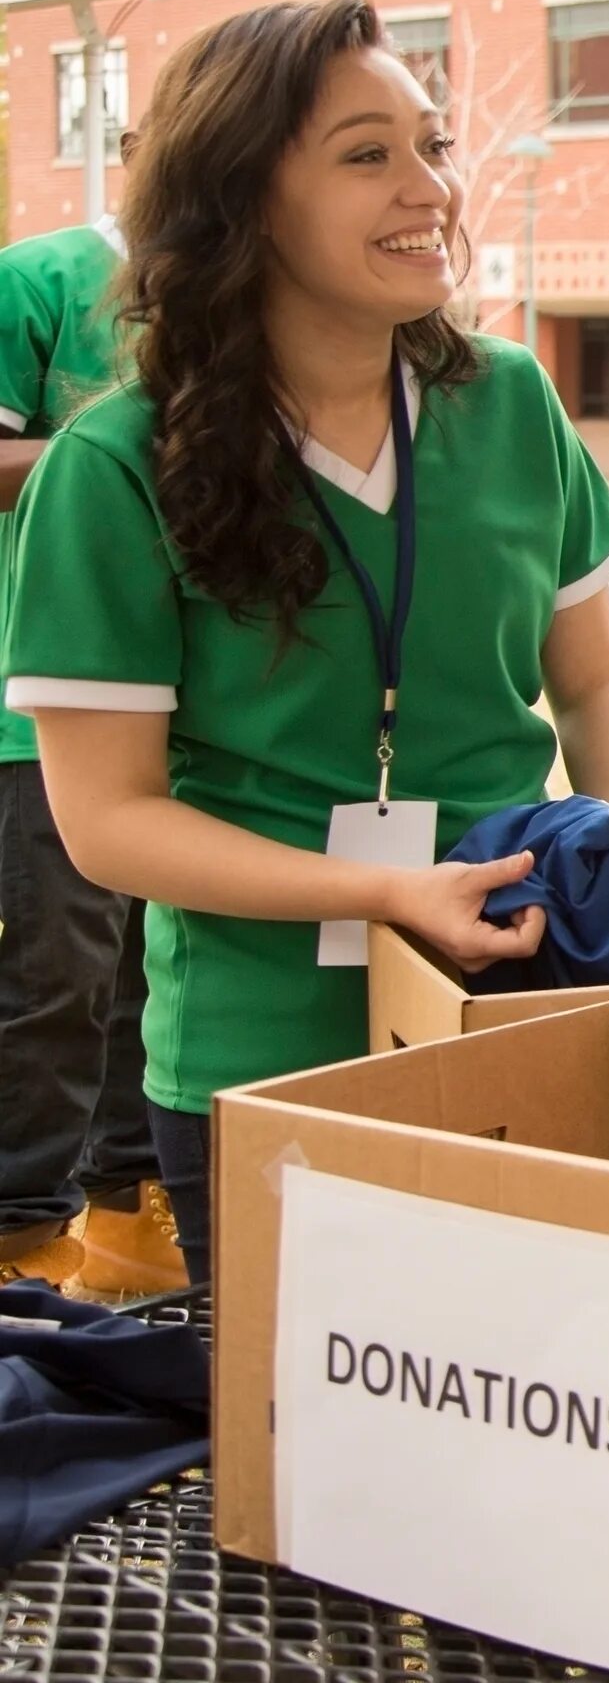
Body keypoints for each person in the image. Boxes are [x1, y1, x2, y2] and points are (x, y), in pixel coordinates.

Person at [3, 0, 609, 1285]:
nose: (429, 188)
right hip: (257, 1062)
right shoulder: (112, 463)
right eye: (368, 155)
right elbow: (108, 822)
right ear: (242, 199)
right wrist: (381, 891)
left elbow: (596, 689)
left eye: (431, 145)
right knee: (311, 1456)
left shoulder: (512, 402)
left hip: (508, 1016)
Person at [0, 156, 185, 1300]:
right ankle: (20, 1230)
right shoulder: (37, 281)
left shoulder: (234, 299)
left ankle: (125, 1208)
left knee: (152, 972)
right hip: (38, 706)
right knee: (56, 973)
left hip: (183, 709)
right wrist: (125, 454)